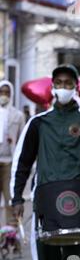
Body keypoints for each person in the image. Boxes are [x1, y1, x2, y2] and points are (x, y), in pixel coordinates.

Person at [10, 64, 80, 260]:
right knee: (46, 258)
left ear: (76, 87)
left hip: (76, 202)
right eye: (59, 83)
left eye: (68, 83)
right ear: (53, 87)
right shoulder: (39, 122)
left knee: (74, 256)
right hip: (45, 199)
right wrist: (16, 198)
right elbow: (22, 162)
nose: (63, 87)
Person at [0, 80, 25, 227]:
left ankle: (10, 234)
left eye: (6, 93)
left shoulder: (18, 115)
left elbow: (23, 139)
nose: (4, 95)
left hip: (9, 162)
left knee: (10, 199)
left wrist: (13, 142)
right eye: (1, 92)